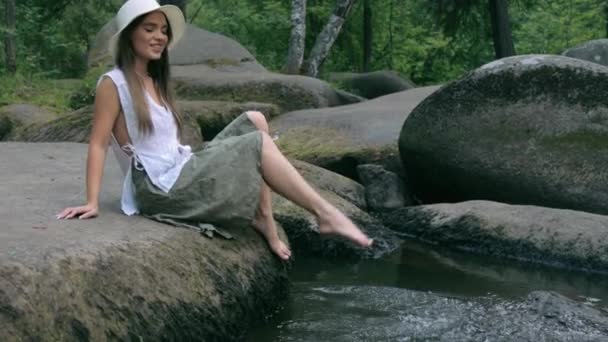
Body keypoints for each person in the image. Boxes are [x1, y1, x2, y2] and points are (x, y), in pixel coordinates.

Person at [57, 0, 372, 260]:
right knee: (258, 142)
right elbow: (98, 144)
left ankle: (264, 217)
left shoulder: (156, 81)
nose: (159, 37)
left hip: (181, 169)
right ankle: (324, 213)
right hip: (158, 187)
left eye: (163, 31)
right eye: (149, 28)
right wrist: (92, 201)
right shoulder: (114, 83)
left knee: (256, 120)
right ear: (128, 36)